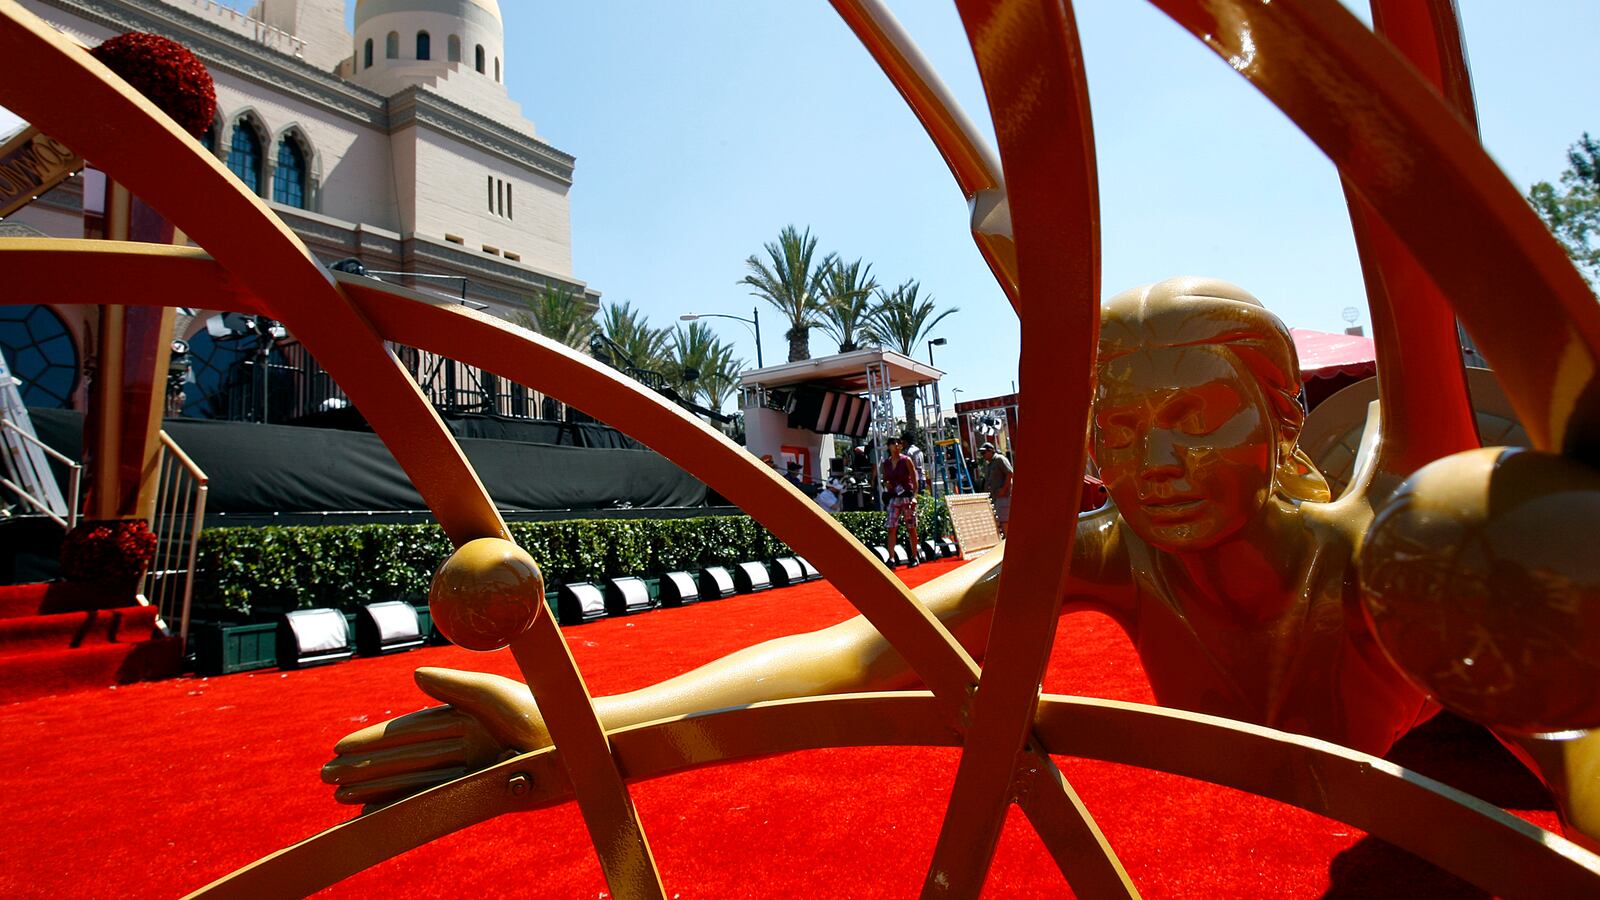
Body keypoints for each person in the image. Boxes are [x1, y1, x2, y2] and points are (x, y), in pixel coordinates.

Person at [320, 277, 1595, 846]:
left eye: (1192, 415)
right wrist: (581, 717)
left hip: (1447, 751)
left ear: (1274, 415)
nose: (1148, 457)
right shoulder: (1104, 557)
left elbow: (1570, 729)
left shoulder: (1387, 572)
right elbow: (865, 643)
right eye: (1116, 422)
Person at [881, 435, 920, 566]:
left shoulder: (906, 460)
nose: (896, 445)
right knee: (891, 527)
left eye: (898, 443)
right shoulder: (886, 463)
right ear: (889, 446)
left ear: (901, 446)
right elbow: (885, 478)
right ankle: (891, 558)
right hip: (894, 497)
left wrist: (914, 497)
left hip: (907, 497)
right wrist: (886, 483)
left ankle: (914, 556)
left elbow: (915, 479)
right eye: (893, 443)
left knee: (911, 527)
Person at [978, 442, 1012, 535]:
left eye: (984, 453)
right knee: (1001, 521)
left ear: (991, 451)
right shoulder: (990, 464)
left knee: (1005, 521)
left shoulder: (999, 459)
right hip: (996, 497)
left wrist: (1004, 489)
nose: (982, 455)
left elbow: (1009, 473)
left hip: (1004, 497)